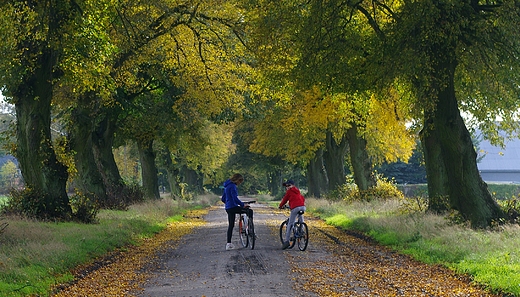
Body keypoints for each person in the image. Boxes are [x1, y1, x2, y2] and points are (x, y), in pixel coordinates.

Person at [221, 173, 253, 251]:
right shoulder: (233, 186)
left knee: (231, 225)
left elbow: (223, 199)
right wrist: (242, 205)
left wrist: (228, 203)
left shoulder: (226, 186)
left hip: (228, 208)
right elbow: (235, 198)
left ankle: (228, 244)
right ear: (237, 180)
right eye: (240, 181)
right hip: (233, 207)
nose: (240, 183)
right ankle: (251, 229)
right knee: (249, 211)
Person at [279, 179, 306, 250]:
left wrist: (280, 206)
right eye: (286, 186)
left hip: (295, 208)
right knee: (301, 218)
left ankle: (287, 241)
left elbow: (285, 199)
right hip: (303, 207)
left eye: (288, 185)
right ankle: (301, 231)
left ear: (292, 185)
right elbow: (302, 198)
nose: (287, 187)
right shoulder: (298, 191)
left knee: (290, 224)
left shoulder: (289, 192)